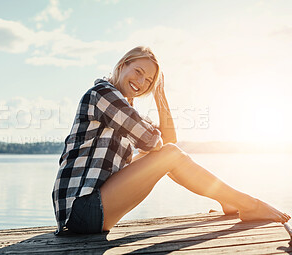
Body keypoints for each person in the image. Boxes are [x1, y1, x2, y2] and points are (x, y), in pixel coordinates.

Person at [52, 46, 290, 235]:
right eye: (138, 72)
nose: (141, 82)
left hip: (88, 211)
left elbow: (169, 143)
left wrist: (160, 94)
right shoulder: (103, 94)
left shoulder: (123, 106)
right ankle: (246, 203)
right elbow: (157, 143)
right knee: (165, 153)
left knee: (166, 153)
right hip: (80, 212)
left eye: (149, 80)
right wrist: (161, 147)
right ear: (123, 65)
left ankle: (228, 200)